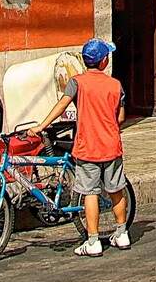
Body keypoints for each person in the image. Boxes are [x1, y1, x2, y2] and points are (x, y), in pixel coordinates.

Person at [23, 39, 130, 256]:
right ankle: (122, 233)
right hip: (111, 145)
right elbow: (120, 117)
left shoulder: (77, 82)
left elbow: (62, 105)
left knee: (89, 193)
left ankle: (93, 241)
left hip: (87, 146)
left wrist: (42, 125)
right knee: (116, 190)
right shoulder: (115, 85)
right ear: (103, 61)